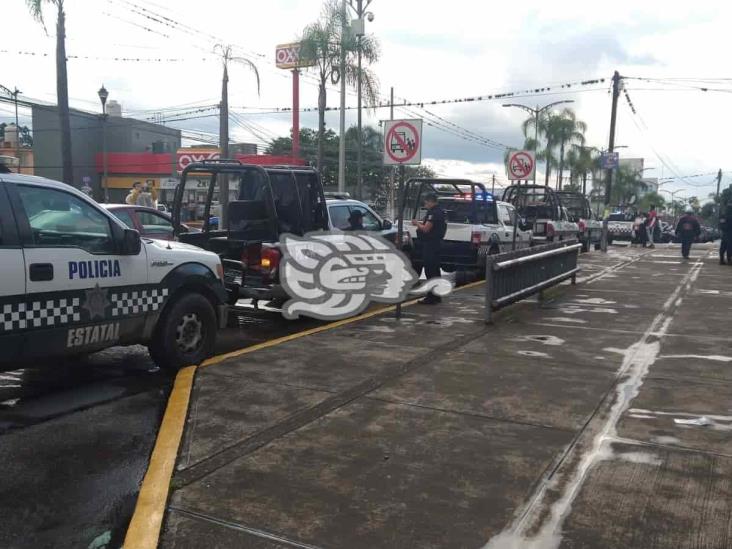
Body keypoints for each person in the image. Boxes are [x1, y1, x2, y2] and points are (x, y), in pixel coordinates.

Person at [411, 193, 447, 304]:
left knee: (430, 271)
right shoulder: (440, 211)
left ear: (430, 201)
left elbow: (426, 229)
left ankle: (432, 297)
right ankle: (437, 296)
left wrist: (417, 223)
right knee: (435, 271)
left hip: (431, 245)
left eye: (426, 203)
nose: (425, 205)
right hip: (436, 244)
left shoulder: (434, 213)